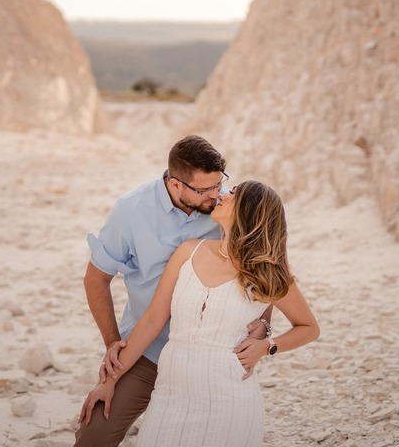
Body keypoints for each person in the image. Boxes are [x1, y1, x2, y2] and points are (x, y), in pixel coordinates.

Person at [79, 180, 319, 446]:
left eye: (234, 194)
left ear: (248, 212)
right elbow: (151, 321)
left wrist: (267, 346)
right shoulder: (188, 252)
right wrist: (109, 381)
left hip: (229, 399)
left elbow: (308, 327)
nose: (224, 195)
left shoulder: (268, 274)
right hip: (171, 395)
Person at [76, 136, 272, 447]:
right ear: (175, 183)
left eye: (219, 184)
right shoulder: (131, 210)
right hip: (146, 348)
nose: (215, 195)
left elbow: (262, 269)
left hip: (206, 357)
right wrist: (113, 343)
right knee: (94, 434)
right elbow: (95, 278)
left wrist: (263, 326)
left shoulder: (227, 212)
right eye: (204, 190)